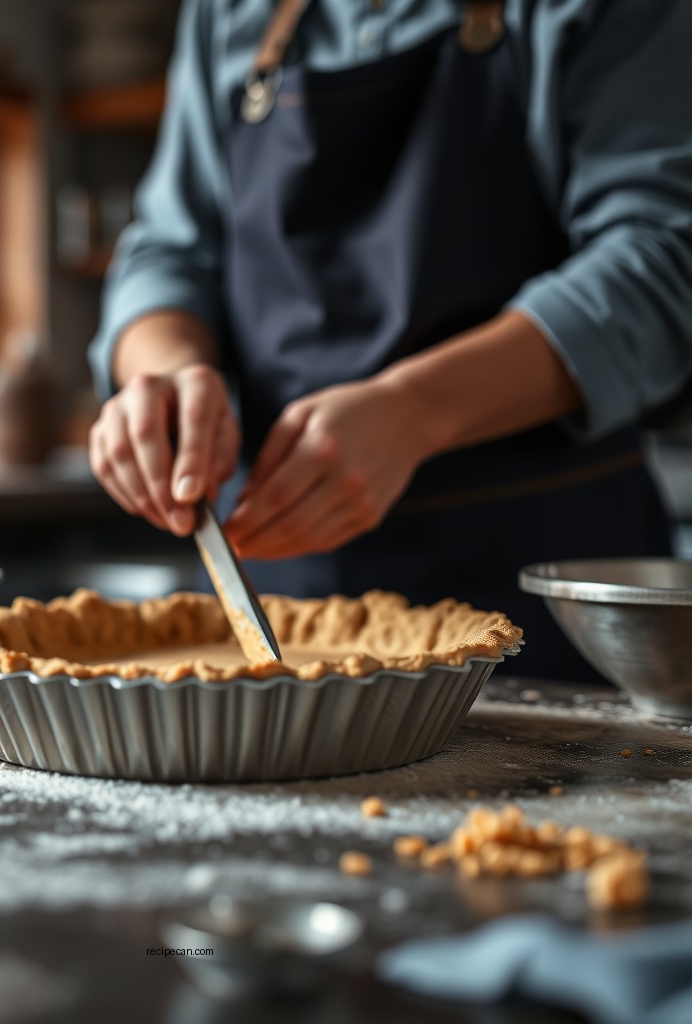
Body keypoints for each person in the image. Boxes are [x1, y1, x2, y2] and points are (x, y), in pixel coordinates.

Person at [86, 0, 692, 680]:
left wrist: (415, 411)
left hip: (539, 601)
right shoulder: (229, 14)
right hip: (275, 585)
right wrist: (163, 369)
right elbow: (169, 250)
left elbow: (664, 259)